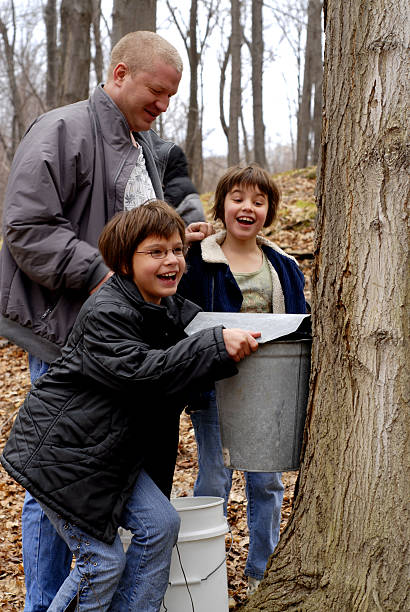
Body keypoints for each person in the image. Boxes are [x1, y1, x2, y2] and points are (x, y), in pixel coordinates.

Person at [0, 30, 210, 612]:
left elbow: (131, 226)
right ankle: (43, 602)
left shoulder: (140, 142)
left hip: (116, 340)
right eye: (156, 91)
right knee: (56, 485)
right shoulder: (63, 129)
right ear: (119, 73)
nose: (164, 106)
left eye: (172, 97)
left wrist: (170, 243)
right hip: (66, 334)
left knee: (100, 478)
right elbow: (27, 228)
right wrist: (106, 273)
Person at [1, 200, 260, 612]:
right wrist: (214, 345)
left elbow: (194, 343)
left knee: (160, 526)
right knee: (100, 563)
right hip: (62, 457)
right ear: (124, 262)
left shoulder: (164, 306)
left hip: (106, 452)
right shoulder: (108, 311)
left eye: (176, 250)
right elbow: (146, 373)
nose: (171, 260)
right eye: (156, 252)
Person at [178, 163, 307, 596]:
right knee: (214, 477)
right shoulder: (198, 258)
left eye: (258, 200)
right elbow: (179, 312)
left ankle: (260, 573)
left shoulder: (283, 266)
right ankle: (205, 572)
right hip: (214, 387)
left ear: (268, 211)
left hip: (268, 390)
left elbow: (298, 322)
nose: (247, 207)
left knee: (266, 481)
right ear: (222, 206)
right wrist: (182, 241)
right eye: (237, 198)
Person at [163, 144, 206, 225]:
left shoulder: (177, 185)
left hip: (191, 231)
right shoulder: (184, 181)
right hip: (195, 228)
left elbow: (162, 213)